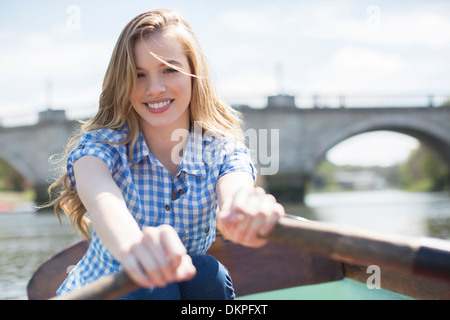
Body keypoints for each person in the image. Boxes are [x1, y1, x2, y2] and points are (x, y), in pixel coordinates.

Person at [48, 9, 285, 300]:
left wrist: (244, 208)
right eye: (138, 75)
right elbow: (104, 204)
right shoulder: (100, 149)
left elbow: (235, 190)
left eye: (169, 69)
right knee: (153, 285)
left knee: (207, 274)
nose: (155, 89)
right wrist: (135, 247)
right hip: (105, 294)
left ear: (193, 73)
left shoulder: (222, 151)